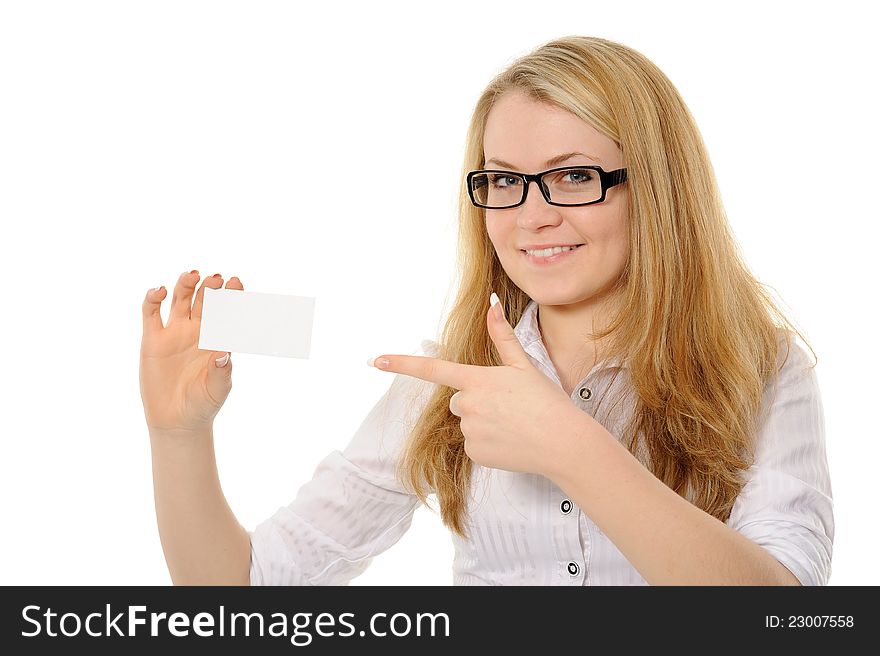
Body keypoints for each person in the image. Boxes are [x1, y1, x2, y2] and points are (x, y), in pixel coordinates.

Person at [139, 35, 833, 586]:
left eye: (572, 176)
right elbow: (240, 592)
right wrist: (178, 436)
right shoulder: (449, 377)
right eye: (504, 180)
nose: (532, 216)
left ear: (655, 187)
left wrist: (573, 449)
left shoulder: (763, 367)